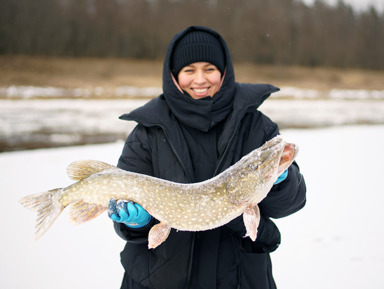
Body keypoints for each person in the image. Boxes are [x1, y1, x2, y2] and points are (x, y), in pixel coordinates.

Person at [108, 26, 306, 289]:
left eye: (209, 69)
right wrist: (136, 223)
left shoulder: (257, 127)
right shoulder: (147, 133)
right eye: (189, 70)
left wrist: (280, 181)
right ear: (174, 75)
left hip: (240, 279)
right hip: (158, 280)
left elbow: (289, 204)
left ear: (224, 72)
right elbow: (126, 221)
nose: (200, 79)